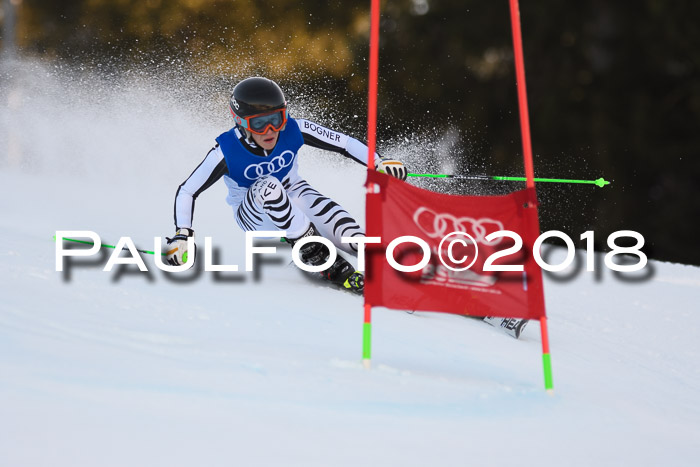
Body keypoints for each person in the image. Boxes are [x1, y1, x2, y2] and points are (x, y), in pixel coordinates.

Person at [165, 77, 407, 293]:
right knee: (269, 186)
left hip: (295, 193)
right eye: (259, 124)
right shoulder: (225, 151)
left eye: (276, 119)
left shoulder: (294, 128)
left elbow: (344, 143)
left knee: (352, 238)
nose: (271, 130)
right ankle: (313, 252)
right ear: (241, 123)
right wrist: (182, 234)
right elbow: (188, 190)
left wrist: (378, 162)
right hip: (254, 214)